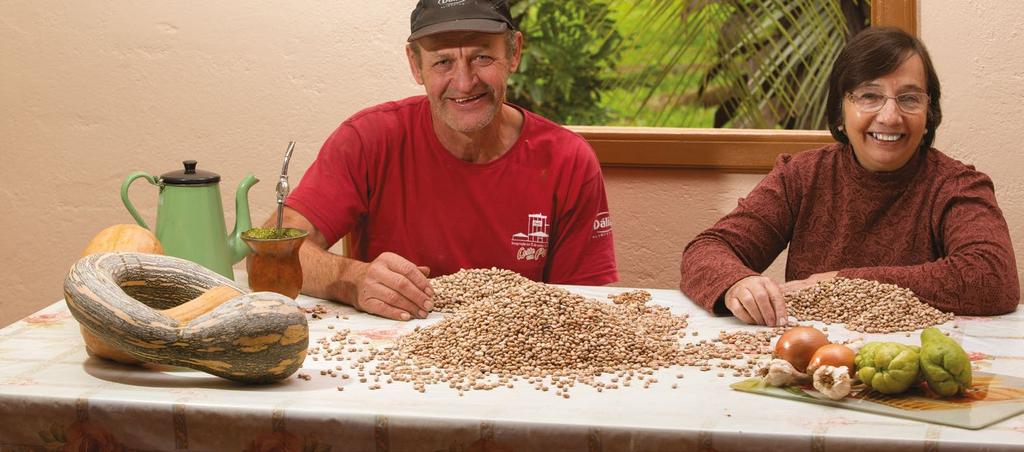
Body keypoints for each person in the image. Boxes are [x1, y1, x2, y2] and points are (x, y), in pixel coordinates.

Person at [275, 0, 618, 321]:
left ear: (514, 52)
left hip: (520, 365)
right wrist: (351, 279)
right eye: (443, 61)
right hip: (389, 354)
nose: (465, 82)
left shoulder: (567, 160)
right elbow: (271, 252)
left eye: (482, 57)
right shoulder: (368, 140)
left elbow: (580, 308)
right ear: (415, 64)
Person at [679, 27, 1019, 326]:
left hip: (917, 372)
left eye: (909, 99)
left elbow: (992, 277)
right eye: (869, 96)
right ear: (840, 112)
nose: (890, 116)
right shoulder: (801, 176)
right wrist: (737, 283)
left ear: (929, 115)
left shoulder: (957, 186)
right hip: (812, 365)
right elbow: (708, 249)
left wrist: (842, 281)